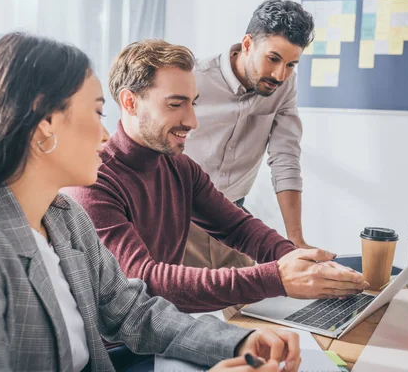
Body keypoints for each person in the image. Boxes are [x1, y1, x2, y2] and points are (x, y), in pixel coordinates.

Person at [0, 32, 301, 372]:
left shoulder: (66, 220)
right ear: (45, 124)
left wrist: (236, 343)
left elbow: (135, 312)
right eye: (97, 112)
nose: (103, 133)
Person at [64, 39, 368, 316]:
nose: (192, 121)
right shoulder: (94, 181)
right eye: (175, 104)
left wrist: (300, 261)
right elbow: (144, 280)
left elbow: (239, 228)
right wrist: (277, 278)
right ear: (130, 102)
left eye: (193, 103)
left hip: (162, 333)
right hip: (116, 351)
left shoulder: (181, 168)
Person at [183, 0, 315, 273]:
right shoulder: (193, 77)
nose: (280, 74)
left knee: (250, 311)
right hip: (179, 219)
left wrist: (296, 239)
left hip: (232, 220)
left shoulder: (284, 85)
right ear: (247, 45)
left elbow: (285, 157)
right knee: (171, 308)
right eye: (273, 59)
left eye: (291, 64)